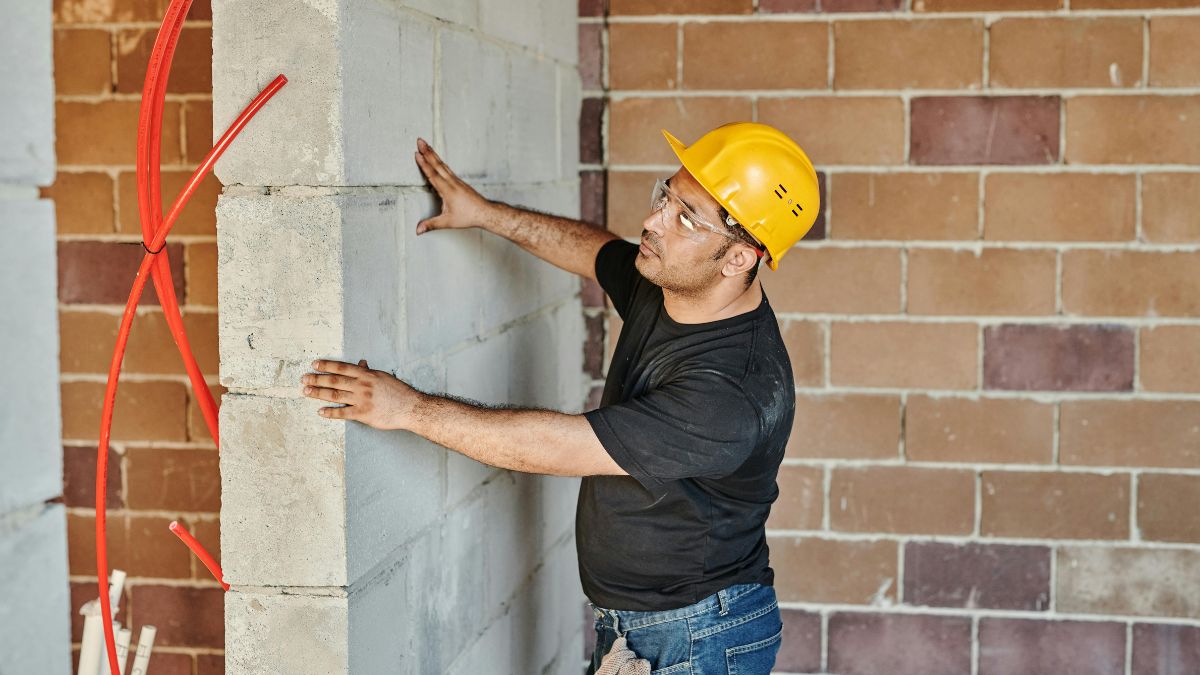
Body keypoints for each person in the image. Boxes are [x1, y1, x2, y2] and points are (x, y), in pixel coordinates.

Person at [299, 121, 820, 674]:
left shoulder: (729, 395)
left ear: (739, 258)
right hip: (653, 626)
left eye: (685, 218)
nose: (653, 221)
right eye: (665, 197)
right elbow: (595, 252)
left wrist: (406, 409)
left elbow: (558, 446)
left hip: (695, 637)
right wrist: (485, 214)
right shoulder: (674, 282)